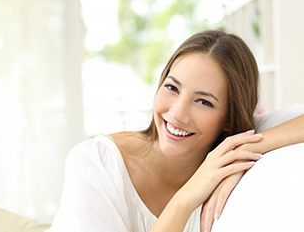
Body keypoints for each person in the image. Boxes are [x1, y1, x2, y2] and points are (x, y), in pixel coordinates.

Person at [45, 30, 304, 232]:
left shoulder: (231, 145)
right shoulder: (95, 163)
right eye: (172, 88)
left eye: (204, 102)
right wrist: (184, 200)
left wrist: (250, 146)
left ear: (228, 118)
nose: (178, 114)